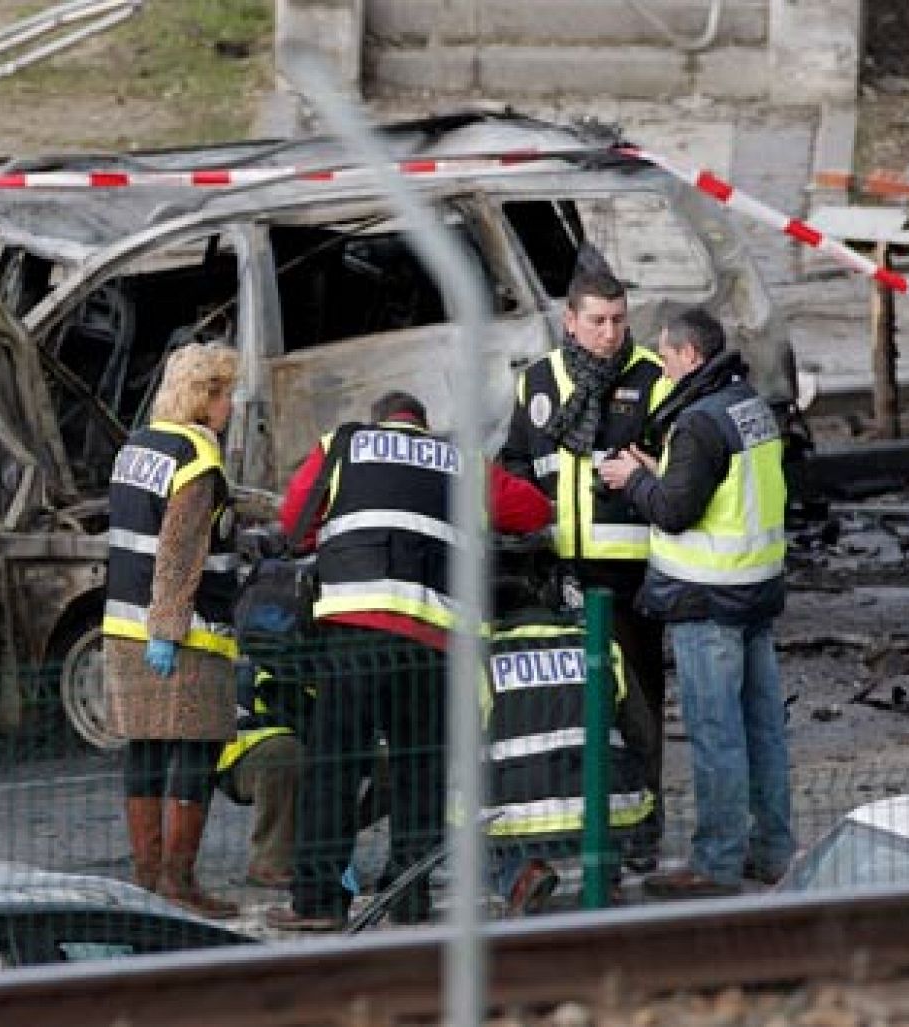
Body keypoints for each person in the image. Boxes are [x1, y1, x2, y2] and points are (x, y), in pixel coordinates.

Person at [267, 390, 552, 931]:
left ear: (381, 422)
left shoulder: (342, 446)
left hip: (354, 632)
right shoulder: (461, 461)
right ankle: (409, 901)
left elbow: (294, 523)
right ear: (423, 426)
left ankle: (319, 904)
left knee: (334, 767)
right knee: (420, 770)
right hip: (432, 640)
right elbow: (532, 511)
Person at [599, 307, 793, 897]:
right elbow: (721, 489)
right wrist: (664, 471)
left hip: (706, 599)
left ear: (688, 356)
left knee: (717, 734)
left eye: (663, 356)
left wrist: (630, 481)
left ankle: (716, 862)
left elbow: (675, 511)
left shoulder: (699, 422)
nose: (658, 366)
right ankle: (774, 852)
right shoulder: (747, 405)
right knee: (763, 729)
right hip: (756, 590)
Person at [499, 261, 674, 871]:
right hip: (557, 570)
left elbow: (674, 473)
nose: (610, 334)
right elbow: (518, 461)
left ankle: (643, 827)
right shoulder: (539, 382)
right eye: (598, 322)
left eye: (619, 322)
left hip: (631, 578)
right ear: (570, 322)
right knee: (564, 704)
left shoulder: (652, 377)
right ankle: (571, 822)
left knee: (640, 708)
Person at [103, 342, 241, 919]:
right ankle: (179, 884)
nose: (232, 406)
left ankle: (146, 879)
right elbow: (180, 551)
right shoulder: (198, 460)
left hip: (121, 625)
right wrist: (168, 628)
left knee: (145, 752)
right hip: (187, 636)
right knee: (194, 753)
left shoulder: (137, 447)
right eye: (227, 394)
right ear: (207, 399)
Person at [480, 612, 656, 916]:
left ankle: (519, 876)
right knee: (615, 793)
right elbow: (643, 732)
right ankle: (604, 876)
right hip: (604, 802)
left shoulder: (483, 656)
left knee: (461, 820)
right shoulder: (599, 643)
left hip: (520, 812)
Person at [215, 665, 312, 888]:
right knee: (285, 752)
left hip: (308, 752)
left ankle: (330, 842)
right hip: (243, 762)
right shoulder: (267, 674)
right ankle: (270, 864)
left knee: (388, 761)